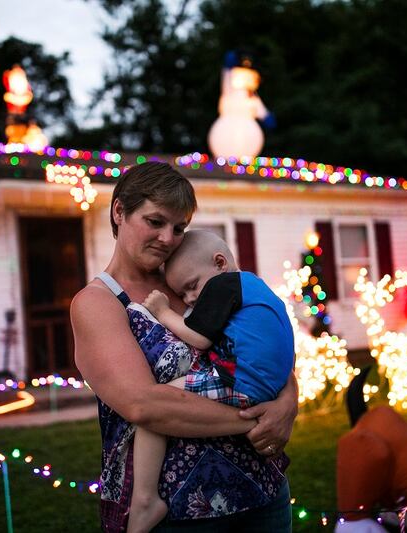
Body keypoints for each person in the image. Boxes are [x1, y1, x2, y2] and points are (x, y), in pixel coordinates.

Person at [70, 162, 298, 533]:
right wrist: (259, 421)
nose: (167, 238)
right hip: (177, 512)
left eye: (178, 228)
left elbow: (264, 345)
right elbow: (144, 405)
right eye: (155, 221)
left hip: (262, 493)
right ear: (119, 211)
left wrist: (288, 401)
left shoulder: (193, 281)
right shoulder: (99, 302)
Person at [128, 230, 295, 532]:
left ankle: (145, 500)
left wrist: (164, 311)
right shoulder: (254, 286)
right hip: (263, 386)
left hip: (242, 384)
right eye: (183, 294)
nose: (191, 298)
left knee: (157, 406)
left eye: (192, 286)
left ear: (219, 263)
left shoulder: (224, 283)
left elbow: (200, 339)